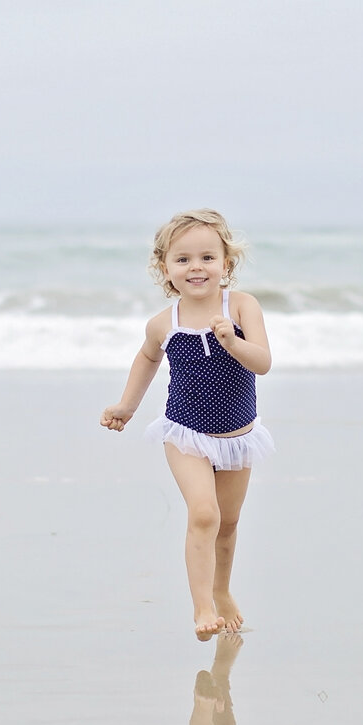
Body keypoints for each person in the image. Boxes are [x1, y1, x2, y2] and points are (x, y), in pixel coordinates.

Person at [100, 209, 273, 639]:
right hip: (186, 433)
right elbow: (147, 358)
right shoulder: (165, 322)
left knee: (229, 523)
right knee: (204, 514)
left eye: (207, 257)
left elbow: (264, 363)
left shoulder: (242, 306)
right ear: (166, 269)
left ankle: (222, 590)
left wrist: (233, 341)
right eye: (183, 259)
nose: (196, 267)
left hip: (237, 435)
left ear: (226, 263)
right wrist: (126, 406)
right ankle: (201, 609)